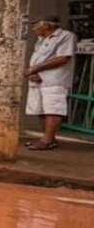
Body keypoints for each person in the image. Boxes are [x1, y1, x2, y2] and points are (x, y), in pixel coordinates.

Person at [24, 17, 77, 151]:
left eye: (36, 25)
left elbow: (63, 58)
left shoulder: (66, 36)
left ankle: (47, 140)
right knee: (40, 109)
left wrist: (35, 69)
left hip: (54, 80)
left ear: (47, 25)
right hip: (39, 79)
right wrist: (33, 72)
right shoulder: (41, 40)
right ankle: (49, 138)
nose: (33, 28)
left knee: (53, 109)